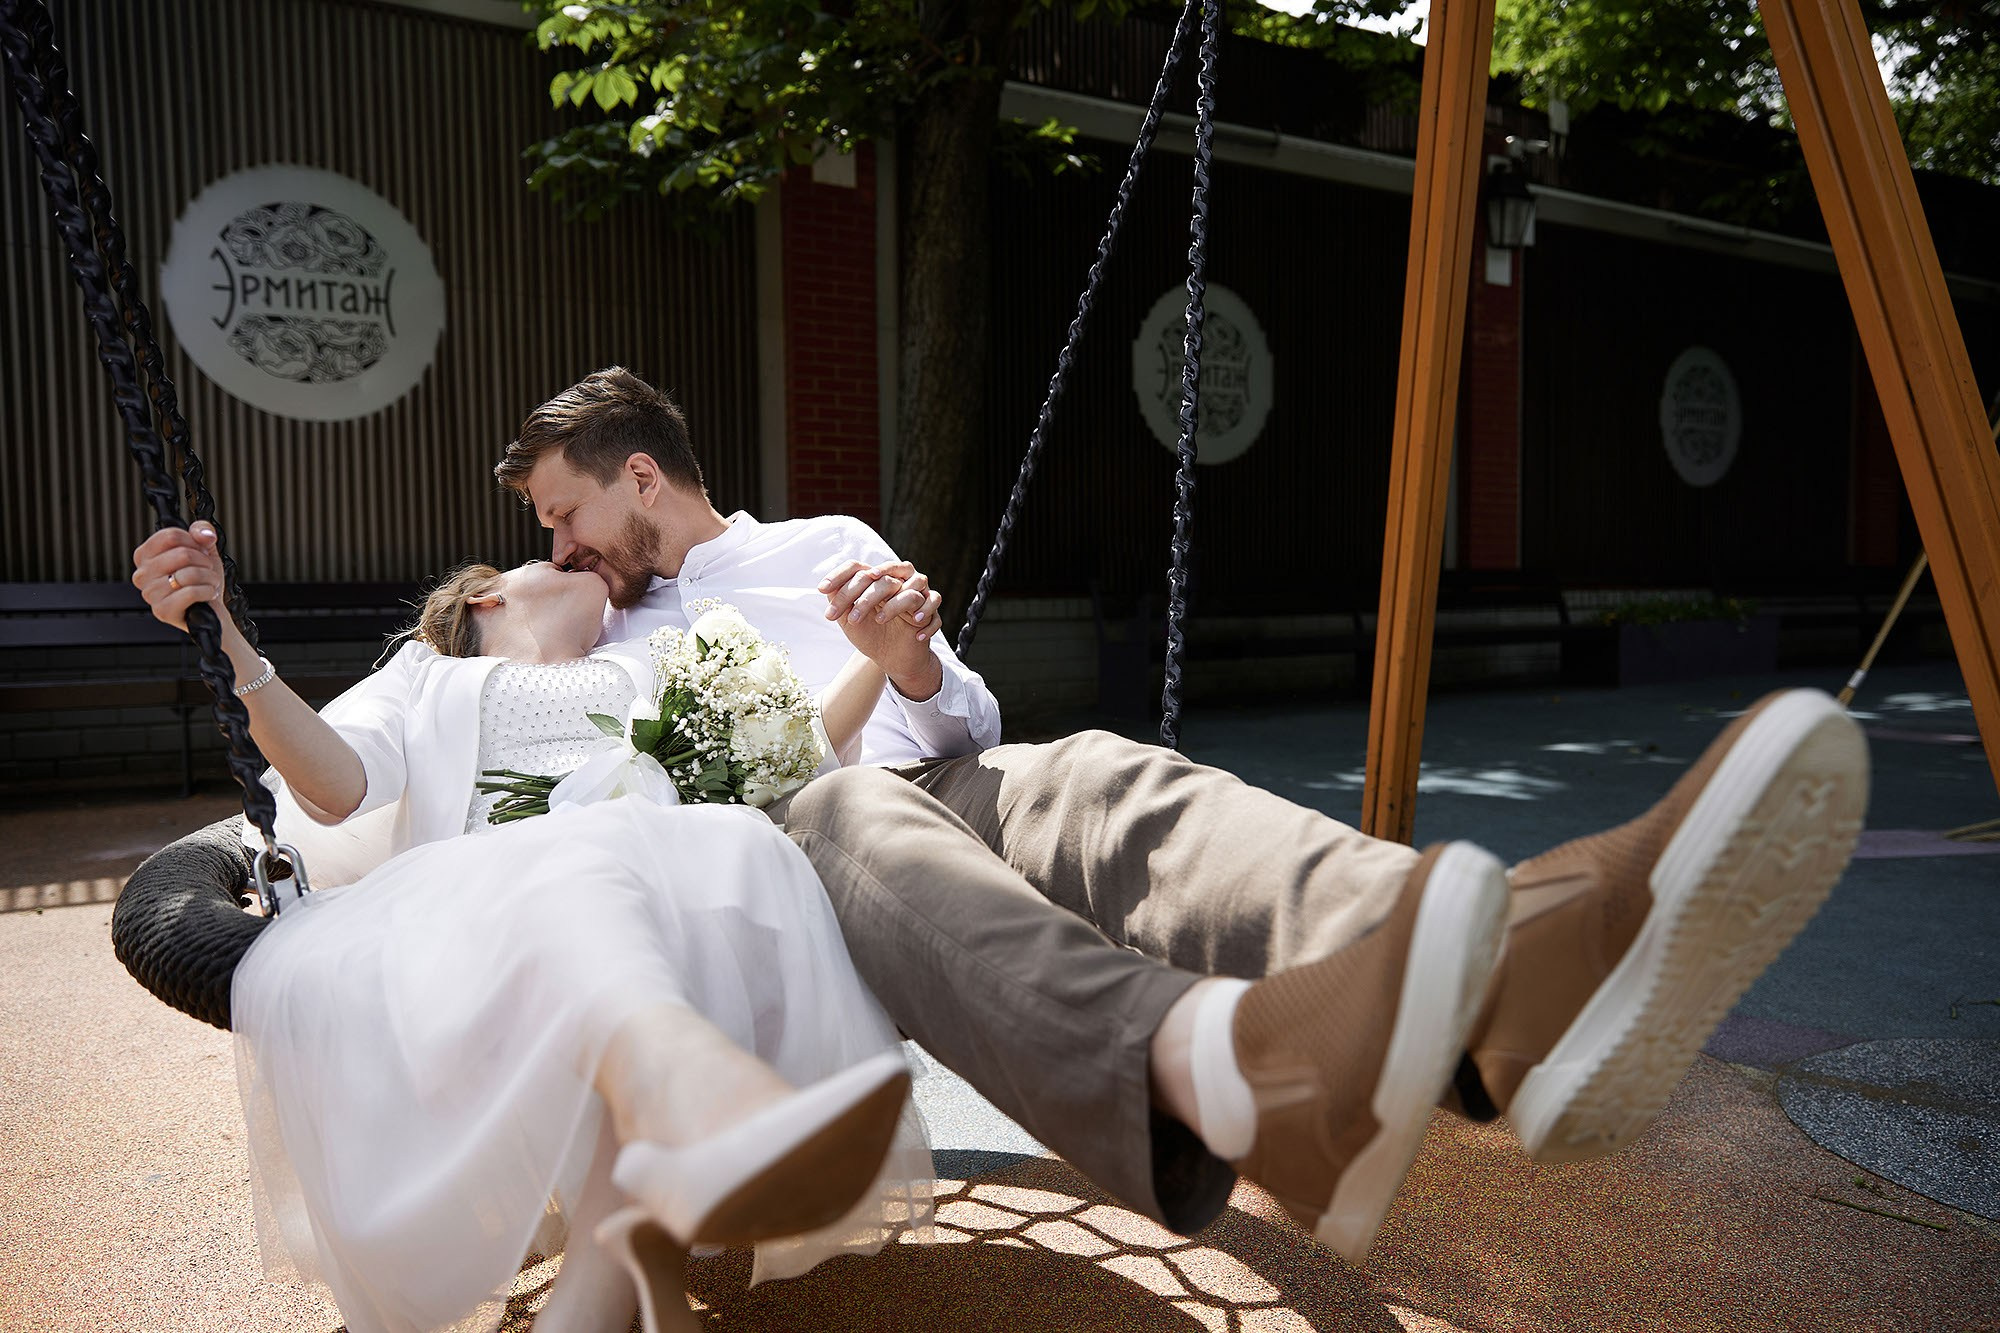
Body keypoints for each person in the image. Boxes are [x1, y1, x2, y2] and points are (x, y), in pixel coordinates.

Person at [496, 366, 1871, 1260]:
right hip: (778, 857)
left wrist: (912, 653)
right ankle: (1230, 1071)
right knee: (854, 811)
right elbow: (621, 788)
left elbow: (963, 720)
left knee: (1093, 767)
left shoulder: (826, 545)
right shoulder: (591, 627)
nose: (556, 553)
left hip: (939, 778)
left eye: (564, 517)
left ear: (636, 475)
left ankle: (1512, 986)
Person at [130, 528, 935, 1333]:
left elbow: (787, 753)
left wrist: (884, 655)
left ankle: (607, 1266)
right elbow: (337, 786)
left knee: (710, 844)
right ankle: (694, 1099)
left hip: (668, 900)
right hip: (499, 915)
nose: (573, 554)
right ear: (488, 595)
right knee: (584, 861)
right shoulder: (426, 675)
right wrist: (227, 637)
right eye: (548, 558)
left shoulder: (655, 656)